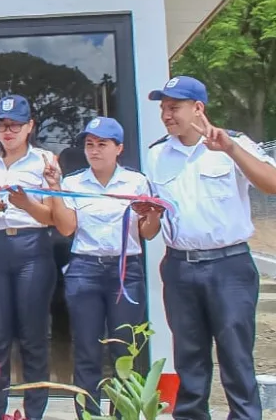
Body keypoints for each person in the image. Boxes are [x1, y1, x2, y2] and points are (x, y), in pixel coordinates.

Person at [145, 75, 276, 420]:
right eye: (163, 108)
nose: (166, 115)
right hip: (179, 266)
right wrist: (147, 215)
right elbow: (151, 224)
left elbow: (272, 183)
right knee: (189, 356)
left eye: (174, 107)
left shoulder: (234, 143)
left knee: (236, 355)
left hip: (229, 267)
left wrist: (231, 150)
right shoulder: (157, 154)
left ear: (198, 108)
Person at [44, 117, 161, 416]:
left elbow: (147, 233)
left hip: (126, 270)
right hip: (85, 271)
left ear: (119, 148)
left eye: (102, 145)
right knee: (86, 351)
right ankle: (89, 414)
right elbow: (68, 229)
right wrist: (54, 188)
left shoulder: (136, 182)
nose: (94, 151)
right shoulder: (73, 183)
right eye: (89, 145)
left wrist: (154, 214)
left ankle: (123, 414)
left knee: (123, 351)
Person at [0, 95, 60, 420]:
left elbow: (53, 217)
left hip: (32, 248)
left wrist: (25, 204)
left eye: (16, 125)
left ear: (30, 126)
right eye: (2, 125)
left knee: (33, 337)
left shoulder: (45, 160)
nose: (8, 131)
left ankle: (34, 413)